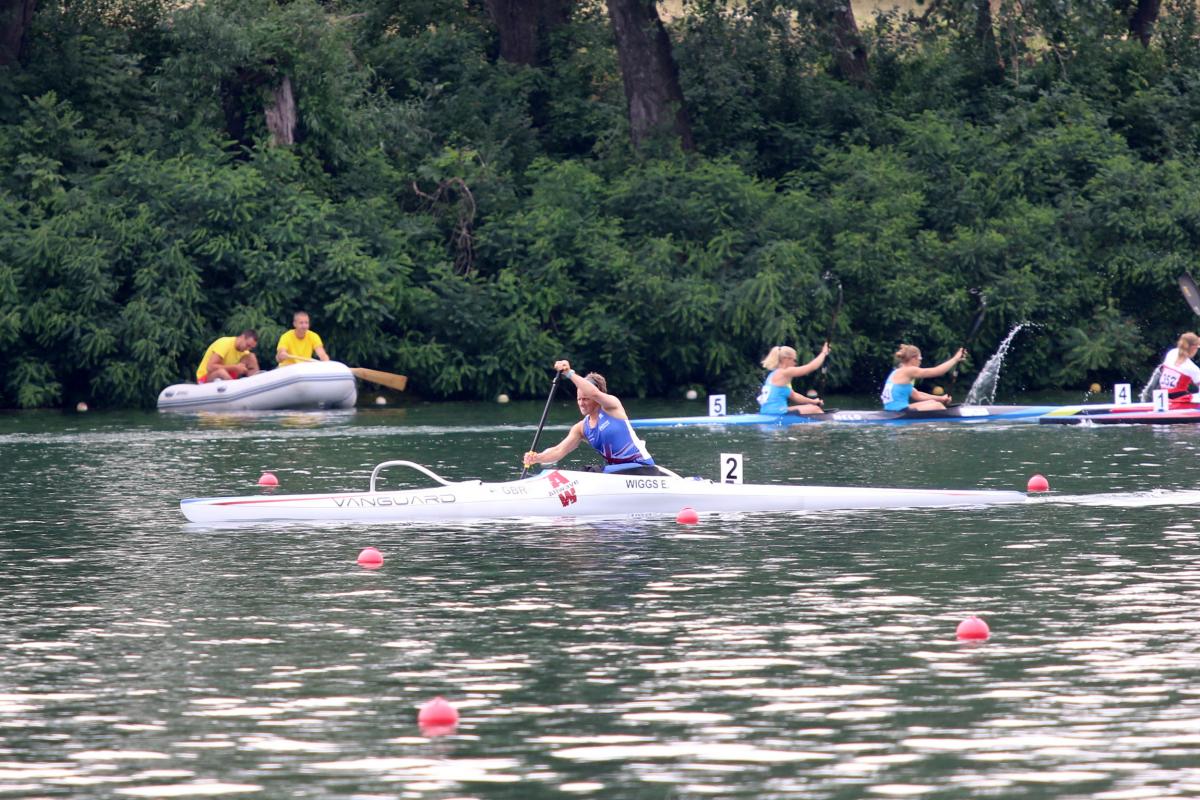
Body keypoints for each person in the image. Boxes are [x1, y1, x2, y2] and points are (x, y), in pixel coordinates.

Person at [523, 360, 664, 476]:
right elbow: (559, 450)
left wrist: (569, 373)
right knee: (585, 473)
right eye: (579, 399)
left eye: (585, 399)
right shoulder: (581, 428)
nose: (581, 403)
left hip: (642, 468)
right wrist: (537, 457)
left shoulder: (612, 407)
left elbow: (595, 393)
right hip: (619, 475)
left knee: (588, 472)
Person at [881, 344, 965, 411]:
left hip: (893, 410)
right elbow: (938, 371)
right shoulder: (909, 370)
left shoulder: (897, 372)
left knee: (934, 402)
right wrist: (956, 358)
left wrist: (941, 398)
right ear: (914, 358)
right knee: (938, 406)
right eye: (920, 358)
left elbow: (917, 395)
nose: (920, 362)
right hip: (898, 411)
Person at [757, 344, 830, 415]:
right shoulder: (785, 372)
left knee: (812, 407)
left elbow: (794, 396)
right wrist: (823, 353)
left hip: (766, 412)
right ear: (786, 359)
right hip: (777, 412)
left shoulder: (772, 375)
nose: (795, 363)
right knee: (815, 409)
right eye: (794, 360)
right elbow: (810, 367)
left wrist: (813, 402)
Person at [196, 330, 260, 383]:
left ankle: (255, 383)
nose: (248, 349)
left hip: (228, 377)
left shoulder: (245, 352)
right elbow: (210, 367)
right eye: (247, 345)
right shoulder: (225, 343)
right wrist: (235, 368)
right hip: (206, 377)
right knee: (221, 372)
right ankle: (235, 390)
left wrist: (244, 370)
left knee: (251, 357)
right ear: (242, 337)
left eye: (251, 348)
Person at [1158, 332, 1200, 406]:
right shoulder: (1192, 368)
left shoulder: (1171, 353)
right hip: (1179, 399)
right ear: (1193, 348)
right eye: (1197, 348)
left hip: (1163, 396)